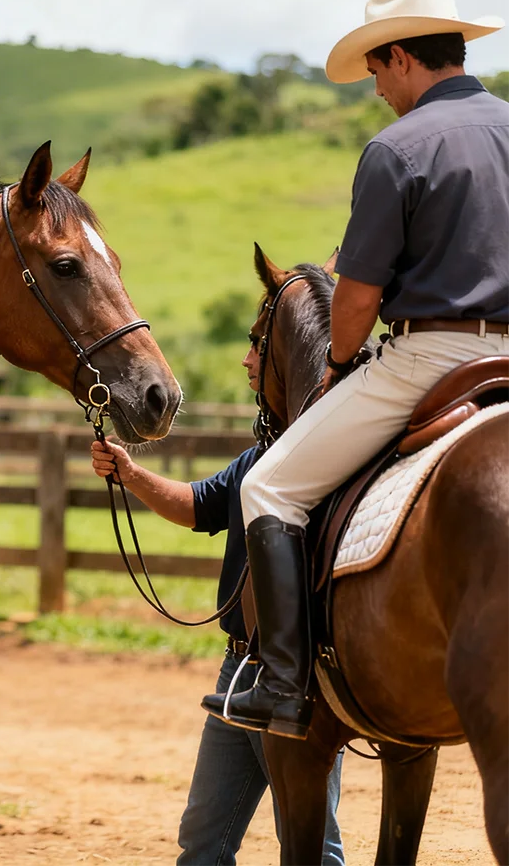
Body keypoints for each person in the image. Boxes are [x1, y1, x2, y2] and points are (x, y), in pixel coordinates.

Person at [200, 0, 509, 740]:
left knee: (270, 489)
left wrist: (339, 363)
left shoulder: (397, 148)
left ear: (401, 57)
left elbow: (358, 297)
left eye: (376, 73)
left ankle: (280, 683)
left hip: (430, 356)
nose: (377, 91)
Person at [91, 336, 344, 864]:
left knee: (313, 848)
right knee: (202, 843)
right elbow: (198, 506)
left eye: (258, 347)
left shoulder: (324, 465)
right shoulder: (263, 459)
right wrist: (131, 474)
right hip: (236, 676)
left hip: (297, 680)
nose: (246, 360)